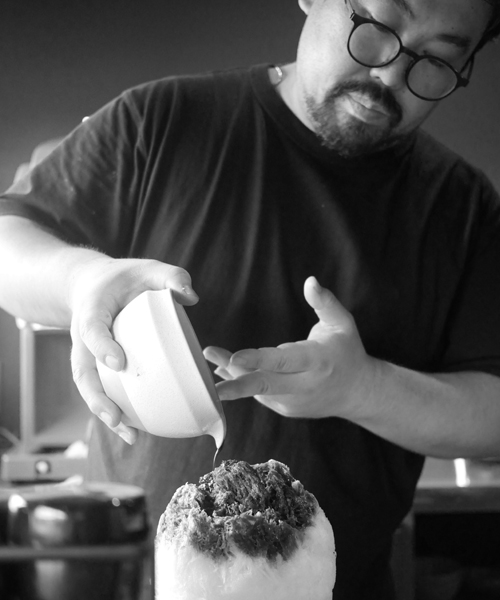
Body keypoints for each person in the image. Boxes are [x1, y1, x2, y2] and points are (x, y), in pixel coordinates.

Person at [0, 0, 499, 597]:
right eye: (378, 26)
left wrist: (363, 388)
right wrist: (81, 280)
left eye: (438, 59)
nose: (392, 74)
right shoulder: (163, 120)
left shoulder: (463, 209)